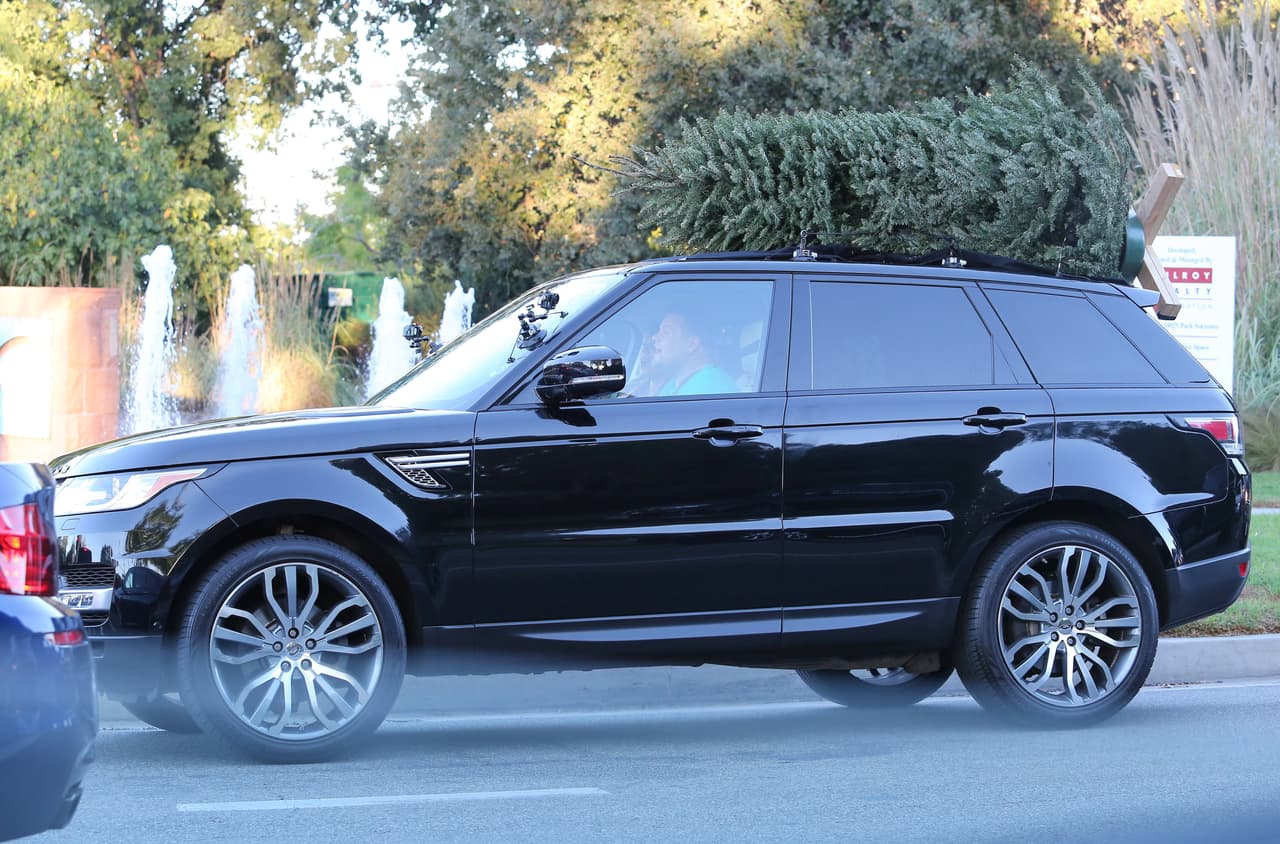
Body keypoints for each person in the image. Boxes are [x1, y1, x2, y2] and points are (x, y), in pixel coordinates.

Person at [640, 311, 739, 397]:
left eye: (666, 332)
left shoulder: (710, 386)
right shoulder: (674, 384)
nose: (654, 337)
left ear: (691, 344)